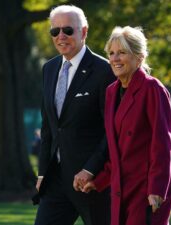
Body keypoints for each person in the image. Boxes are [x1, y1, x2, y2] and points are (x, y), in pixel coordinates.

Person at [79, 26, 171, 225]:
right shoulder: (111, 91)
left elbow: (162, 144)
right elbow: (117, 148)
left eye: (122, 53)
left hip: (145, 187)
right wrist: (99, 180)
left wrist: (157, 189)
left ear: (139, 57)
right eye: (112, 53)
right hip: (120, 188)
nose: (115, 59)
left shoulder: (152, 89)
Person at [33, 5, 115, 225]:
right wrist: (42, 173)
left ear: (84, 32)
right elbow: (49, 126)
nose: (61, 36)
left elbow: (111, 129)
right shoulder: (49, 69)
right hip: (56, 180)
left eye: (68, 30)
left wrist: (91, 169)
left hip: (92, 181)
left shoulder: (105, 71)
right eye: (55, 31)